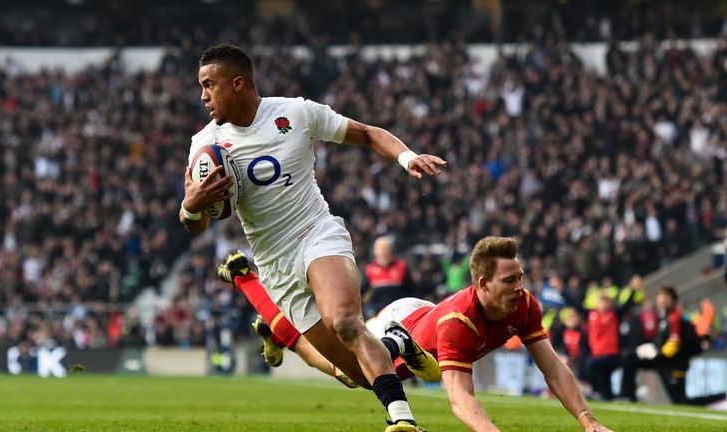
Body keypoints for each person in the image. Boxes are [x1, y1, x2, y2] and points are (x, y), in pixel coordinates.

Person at [179, 43, 446, 432]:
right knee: (353, 373)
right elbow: (196, 224)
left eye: (209, 84)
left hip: (316, 234)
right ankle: (398, 343)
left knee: (346, 322)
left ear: (237, 83)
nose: (203, 96)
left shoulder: (295, 113)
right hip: (275, 263)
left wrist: (408, 158)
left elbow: (368, 134)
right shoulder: (205, 146)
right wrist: (192, 206)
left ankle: (401, 421)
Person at [219, 237, 613, 432]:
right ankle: (246, 278)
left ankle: (400, 347)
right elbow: (460, 399)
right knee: (343, 372)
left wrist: (588, 420)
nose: (520, 286)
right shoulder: (460, 322)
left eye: (521, 277)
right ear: (482, 283)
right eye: (510, 280)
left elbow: (553, 367)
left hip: (420, 319)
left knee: (418, 369)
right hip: (405, 322)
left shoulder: (524, 304)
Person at [363, 237, 414, 318]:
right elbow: (362, 292)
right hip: (377, 312)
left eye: (385, 249)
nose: (383, 253)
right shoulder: (370, 269)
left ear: (390, 251)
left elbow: (412, 290)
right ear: (375, 252)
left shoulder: (401, 267)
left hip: (399, 311)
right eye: (380, 250)